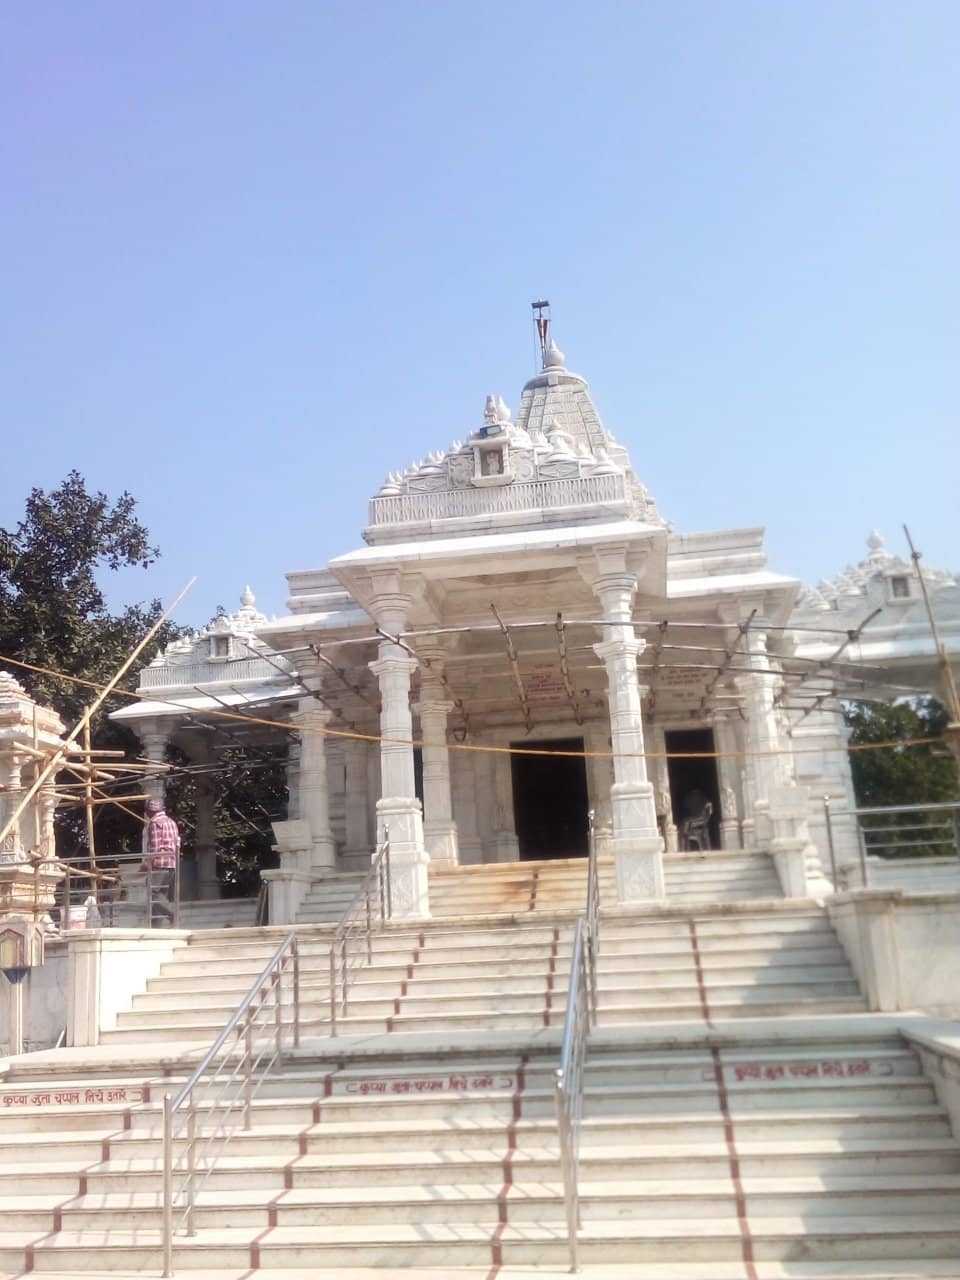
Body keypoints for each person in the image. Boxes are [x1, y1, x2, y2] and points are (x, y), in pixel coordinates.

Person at [142, 797, 180, 926]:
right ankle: (156, 927)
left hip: (160, 863)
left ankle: (174, 915)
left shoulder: (155, 823)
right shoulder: (171, 822)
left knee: (152, 893)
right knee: (161, 895)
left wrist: (147, 863)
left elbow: (156, 846)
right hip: (172, 863)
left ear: (149, 811)